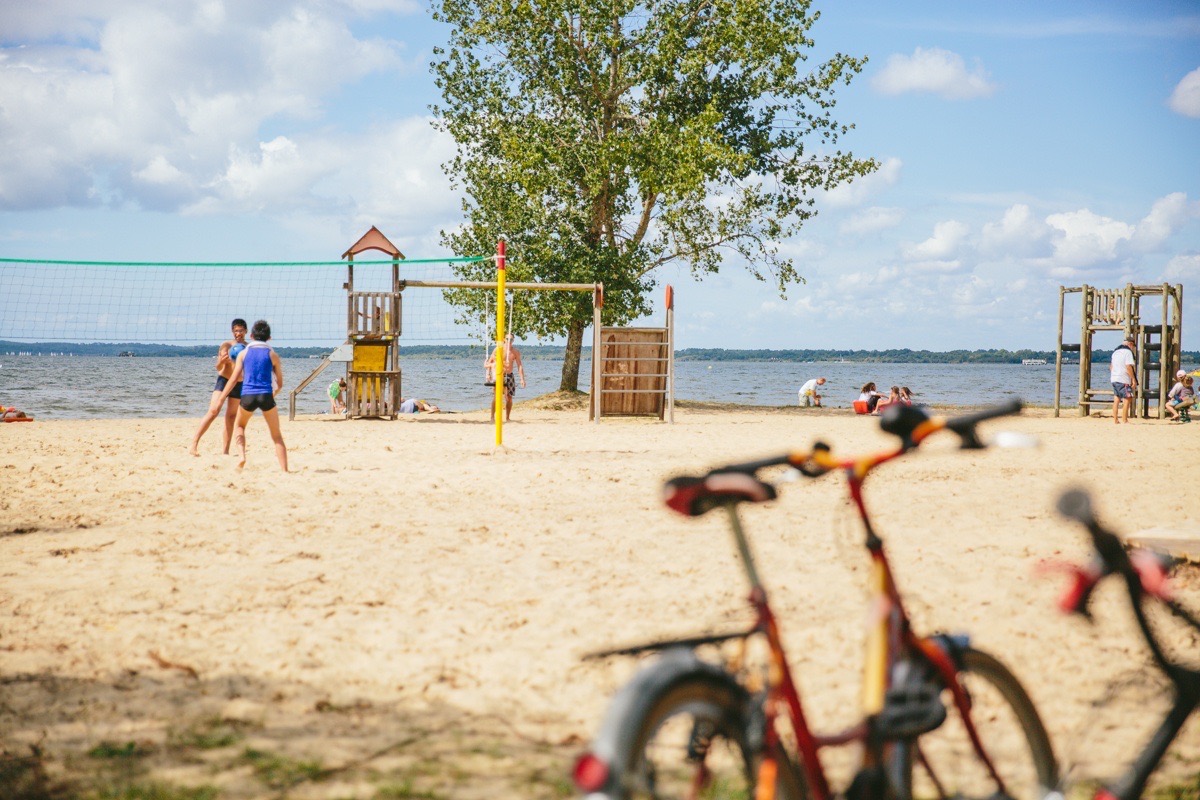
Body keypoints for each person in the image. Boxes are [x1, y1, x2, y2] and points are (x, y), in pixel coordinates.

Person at [212, 319, 287, 471]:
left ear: (251, 335)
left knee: (239, 426)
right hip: (266, 395)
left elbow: (233, 380)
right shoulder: (273, 355)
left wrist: (221, 398)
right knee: (277, 436)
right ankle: (284, 470)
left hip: (247, 396)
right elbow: (279, 384)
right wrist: (273, 395)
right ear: (269, 338)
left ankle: (241, 456)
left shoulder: (243, 354)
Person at [189, 318, 247, 456]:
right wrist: (221, 361)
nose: (238, 333)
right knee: (214, 410)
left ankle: (225, 451)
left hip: (239, 383)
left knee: (231, 416)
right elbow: (218, 367)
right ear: (232, 331)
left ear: (245, 331)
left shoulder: (248, 348)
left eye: (240, 331)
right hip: (224, 380)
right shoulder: (226, 345)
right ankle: (194, 444)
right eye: (235, 331)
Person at [485, 333, 526, 421]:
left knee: (509, 398)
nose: (509, 341)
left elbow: (519, 365)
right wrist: (488, 374)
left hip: (509, 375)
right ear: (504, 339)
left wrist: (522, 379)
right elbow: (490, 361)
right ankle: (492, 417)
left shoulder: (515, 352)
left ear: (513, 340)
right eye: (507, 339)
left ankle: (507, 417)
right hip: (499, 375)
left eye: (511, 339)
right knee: (497, 397)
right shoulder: (498, 349)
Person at [1110, 335, 1137, 425]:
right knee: (1128, 398)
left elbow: (1111, 367)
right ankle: (1124, 420)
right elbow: (1128, 366)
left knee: (1116, 399)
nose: (1133, 348)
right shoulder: (1128, 352)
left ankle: (1115, 420)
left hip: (1114, 378)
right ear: (1130, 344)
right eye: (1133, 346)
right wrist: (1133, 379)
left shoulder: (1115, 352)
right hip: (1123, 379)